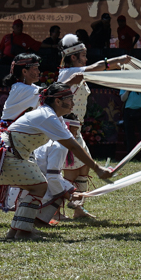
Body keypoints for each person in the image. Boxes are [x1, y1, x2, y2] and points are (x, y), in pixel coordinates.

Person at [0, 83, 111, 240]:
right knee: (39, 186)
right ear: (58, 102)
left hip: (10, 154)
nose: (73, 103)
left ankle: (16, 231)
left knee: (38, 186)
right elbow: (73, 146)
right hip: (5, 155)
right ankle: (23, 232)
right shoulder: (48, 116)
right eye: (69, 99)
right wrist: (97, 168)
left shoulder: (55, 117)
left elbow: (72, 143)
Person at [57, 34, 130, 215]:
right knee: (69, 171)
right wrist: (118, 61)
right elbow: (95, 67)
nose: (86, 58)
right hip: (66, 129)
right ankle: (57, 211)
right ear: (73, 57)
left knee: (83, 168)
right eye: (83, 55)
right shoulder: (68, 74)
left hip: (75, 128)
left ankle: (78, 209)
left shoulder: (73, 74)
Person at [33, 113, 81, 226]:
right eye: (73, 131)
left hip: (31, 182)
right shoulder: (59, 146)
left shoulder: (48, 139)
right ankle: (39, 220)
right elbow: (52, 177)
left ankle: (37, 217)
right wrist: (68, 195)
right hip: (36, 185)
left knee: (65, 187)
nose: (75, 135)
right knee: (62, 190)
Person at [120, 88, 141, 159]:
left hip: (140, 112)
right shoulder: (125, 85)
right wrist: (128, 89)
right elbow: (123, 99)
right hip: (128, 112)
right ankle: (130, 157)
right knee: (129, 135)